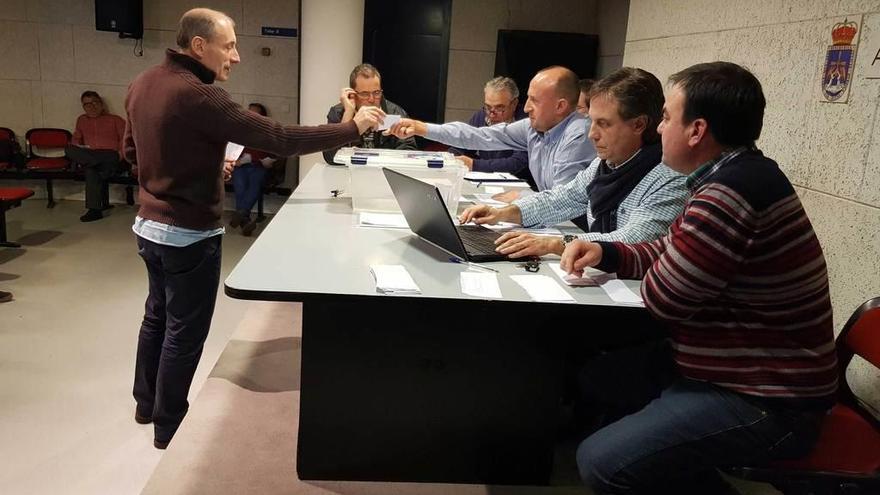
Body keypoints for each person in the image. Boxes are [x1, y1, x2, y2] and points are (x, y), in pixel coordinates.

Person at [560, 61, 838, 494]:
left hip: (769, 400)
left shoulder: (729, 195)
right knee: (601, 378)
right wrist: (609, 252)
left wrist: (660, 264)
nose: (660, 129)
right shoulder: (729, 176)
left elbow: (663, 298)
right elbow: (669, 252)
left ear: (697, 130)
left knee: (601, 463)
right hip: (733, 369)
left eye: (668, 118)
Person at [124, 7, 384, 450]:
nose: (237, 56)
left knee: (157, 317)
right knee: (184, 333)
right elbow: (278, 138)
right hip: (189, 234)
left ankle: (146, 404)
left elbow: (132, 152)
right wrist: (348, 128)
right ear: (199, 46)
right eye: (229, 45)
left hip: (148, 227)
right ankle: (169, 426)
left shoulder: (143, 82)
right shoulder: (200, 95)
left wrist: (195, 172)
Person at [459, 68, 687, 258]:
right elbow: (564, 198)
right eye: (592, 121)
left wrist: (554, 244)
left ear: (638, 125)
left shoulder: (669, 178)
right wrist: (503, 213)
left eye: (604, 124)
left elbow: (635, 238)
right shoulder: (604, 164)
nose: (592, 134)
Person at [387, 66, 596, 202]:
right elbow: (480, 136)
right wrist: (422, 127)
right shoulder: (534, 127)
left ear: (560, 106)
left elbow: (563, 201)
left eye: (535, 101)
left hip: (576, 230)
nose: (526, 108)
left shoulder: (578, 135)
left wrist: (521, 200)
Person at [322, 63, 417, 164]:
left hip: (384, 173)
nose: (372, 99)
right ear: (352, 94)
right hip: (349, 175)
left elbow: (409, 151)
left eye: (376, 93)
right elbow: (330, 157)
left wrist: (380, 160)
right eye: (364, 94)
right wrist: (348, 115)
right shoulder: (338, 113)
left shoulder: (394, 112)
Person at [446, 76, 529, 181]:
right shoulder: (481, 116)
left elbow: (517, 162)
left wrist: (474, 164)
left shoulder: (527, 123)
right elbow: (462, 146)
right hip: (486, 180)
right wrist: (450, 159)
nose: (492, 114)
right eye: (488, 107)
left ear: (514, 104)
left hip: (519, 183)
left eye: (499, 108)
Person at [65, 91, 127, 222]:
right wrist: (79, 147)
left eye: (94, 102)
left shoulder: (115, 120)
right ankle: (95, 164)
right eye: (87, 104)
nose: (91, 107)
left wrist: (120, 155)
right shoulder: (81, 120)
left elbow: (125, 140)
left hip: (111, 155)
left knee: (91, 169)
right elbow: (76, 140)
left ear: (101, 104)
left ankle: (94, 210)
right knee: (69, 149)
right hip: (92, 154)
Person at [229, 103, 278, 236]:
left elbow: (272, 154)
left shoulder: (268, 132)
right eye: (249, 112)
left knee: (256, 182)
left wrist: (258, 159)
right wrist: (238, 160)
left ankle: (241, 214)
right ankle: (245, 219)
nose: (250, 115)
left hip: (259, 167)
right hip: (241, 166)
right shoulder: (241, 132)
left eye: (254, 113)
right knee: (240, 184)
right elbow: (233, 151)